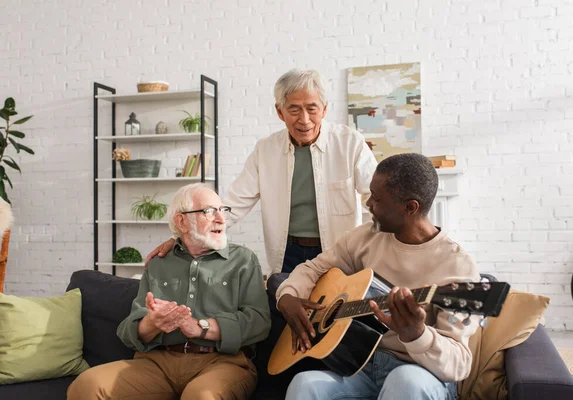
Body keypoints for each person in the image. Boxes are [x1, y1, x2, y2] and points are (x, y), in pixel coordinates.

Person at [276, 153, 480, 400]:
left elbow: (459, 364)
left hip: (422, 374)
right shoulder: (364, 238)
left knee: (404, 381)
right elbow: (313, 268)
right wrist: (287, 295)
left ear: (410, 207)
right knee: (304, 384)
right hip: (362, 367)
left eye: (377, 198)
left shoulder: (458, 267)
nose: (368, 203)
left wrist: (418, 334)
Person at [146, 68, 377, 276]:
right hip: (288, 254)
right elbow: (233, 205)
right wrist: (180, 239)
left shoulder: (350, 143)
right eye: (294, 110)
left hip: (339, 252)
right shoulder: (266, 150)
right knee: (290, 319)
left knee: (338, 318)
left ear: (324, 109)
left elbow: (376, 201)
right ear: (280, 112)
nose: (304, 120)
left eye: (312, 109)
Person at [67, 183, 270, 400]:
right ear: (182, 221)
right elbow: (129, 328)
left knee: (201, 396)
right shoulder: (159, 263)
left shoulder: (243, 260)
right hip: (157, 363)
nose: (221, 219)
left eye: (223, 210)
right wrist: (151, 324)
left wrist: (200, 327)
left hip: (222, 362)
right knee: (87, 385)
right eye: (209, 211)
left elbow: (259, 322)